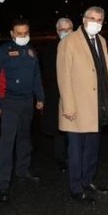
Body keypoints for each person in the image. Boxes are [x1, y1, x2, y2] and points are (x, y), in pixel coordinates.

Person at [57, 6, 108, 204]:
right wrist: (68, 106)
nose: (95, 22)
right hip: (76, 106)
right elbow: (64, 75)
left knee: (92, 148)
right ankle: (76, 188)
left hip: (97, 105)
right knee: (76, 150)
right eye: (92, 18)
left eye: (99, 19)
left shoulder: (101, 41)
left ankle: (87, 180)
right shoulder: (70, 42)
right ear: (83, 19)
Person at [0, 18, 45, 203]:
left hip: (27, 102)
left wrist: (40, 97)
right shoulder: (1, 52)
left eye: (25, 33)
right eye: (19, 33)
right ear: (12, 34)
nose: (22, 36)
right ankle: (2, 184)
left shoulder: (30, 51)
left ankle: (23, 170)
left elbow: (36, 75)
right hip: (9, 103)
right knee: (7, 142)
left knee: (25, 137)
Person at [40, 17, 73, 171]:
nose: (65, 32)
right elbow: (49, 73)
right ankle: (60, 158)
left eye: (68, 30)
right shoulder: (50, 49)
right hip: (56, 93)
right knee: (59, 127)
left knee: (75, 128)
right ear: (57, 31)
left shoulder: (79, 47)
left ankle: (74, 156)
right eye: (62, 30)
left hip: (76, 93)